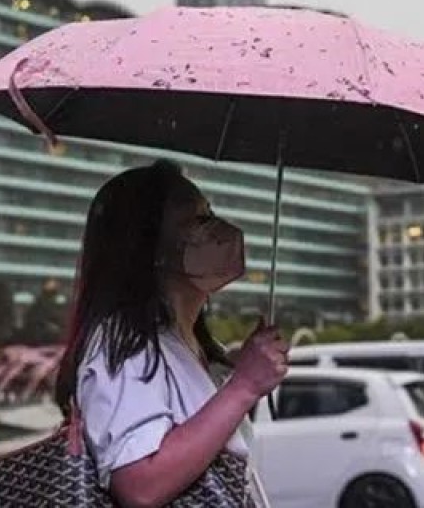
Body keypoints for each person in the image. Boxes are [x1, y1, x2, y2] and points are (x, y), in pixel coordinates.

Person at [54, 160, 287, 507]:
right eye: (196, 219)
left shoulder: (189, 346)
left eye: (211, 213)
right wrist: (244, 386)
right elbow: (140, 484)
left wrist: (238, 377)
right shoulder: (125, 343)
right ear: (148, 244)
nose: (217, 230)